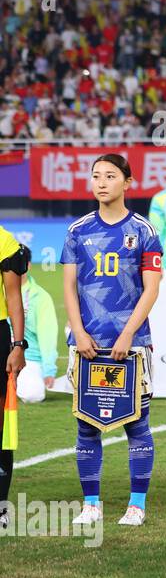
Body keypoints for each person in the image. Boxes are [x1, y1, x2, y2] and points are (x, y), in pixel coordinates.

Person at [60, 155, 163, 525]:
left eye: (110, 176)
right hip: (87, 343)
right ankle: (91, 504)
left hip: (131, 344)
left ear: (128, 182)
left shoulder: (145, 231)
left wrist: (128, 333)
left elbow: (151, 290)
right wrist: (79, 332)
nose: (101, 182)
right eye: (96, 176)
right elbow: (69, 287)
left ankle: (136, 504)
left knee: (137, 424)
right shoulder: (77, 231)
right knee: (86, 425)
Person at [0, 224, 30, 529]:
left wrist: (18, 345)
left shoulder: (4, 242)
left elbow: (13, 298)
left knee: (0, 425)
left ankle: (0, 506)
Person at [17, 271, 58, 403]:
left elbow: (47, 336)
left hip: (28, 357)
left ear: (28, 265)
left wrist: (48, 369)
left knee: (33, 395)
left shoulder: (40, 297)